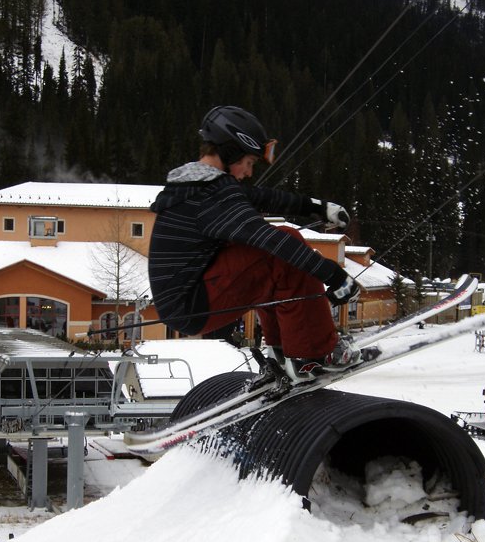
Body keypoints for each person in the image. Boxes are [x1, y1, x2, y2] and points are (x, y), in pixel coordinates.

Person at [148, 105, 360, 382]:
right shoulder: (214, 195)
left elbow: (259, 196)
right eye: (248, 162)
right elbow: (271, 240)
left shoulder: (195, 185)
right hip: (193, 303)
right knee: (283, 247)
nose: (249, 171)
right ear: (231, 153)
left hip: (186, 301)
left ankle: (285, 351)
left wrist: (318, 207)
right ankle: (315, 354)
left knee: (271, 258)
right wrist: (335, 276)